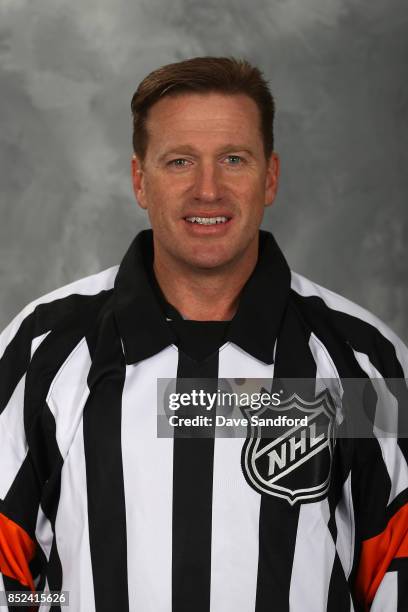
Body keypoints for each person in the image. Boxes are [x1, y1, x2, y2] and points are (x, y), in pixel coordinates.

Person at [0, 56, 407, 612]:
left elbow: (392, 574)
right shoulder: (42, 349)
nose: (207, 190)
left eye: (233, 159)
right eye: (179, 162)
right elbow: (8, 573)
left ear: (270, 177)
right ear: (141, 180)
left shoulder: (363, 361)